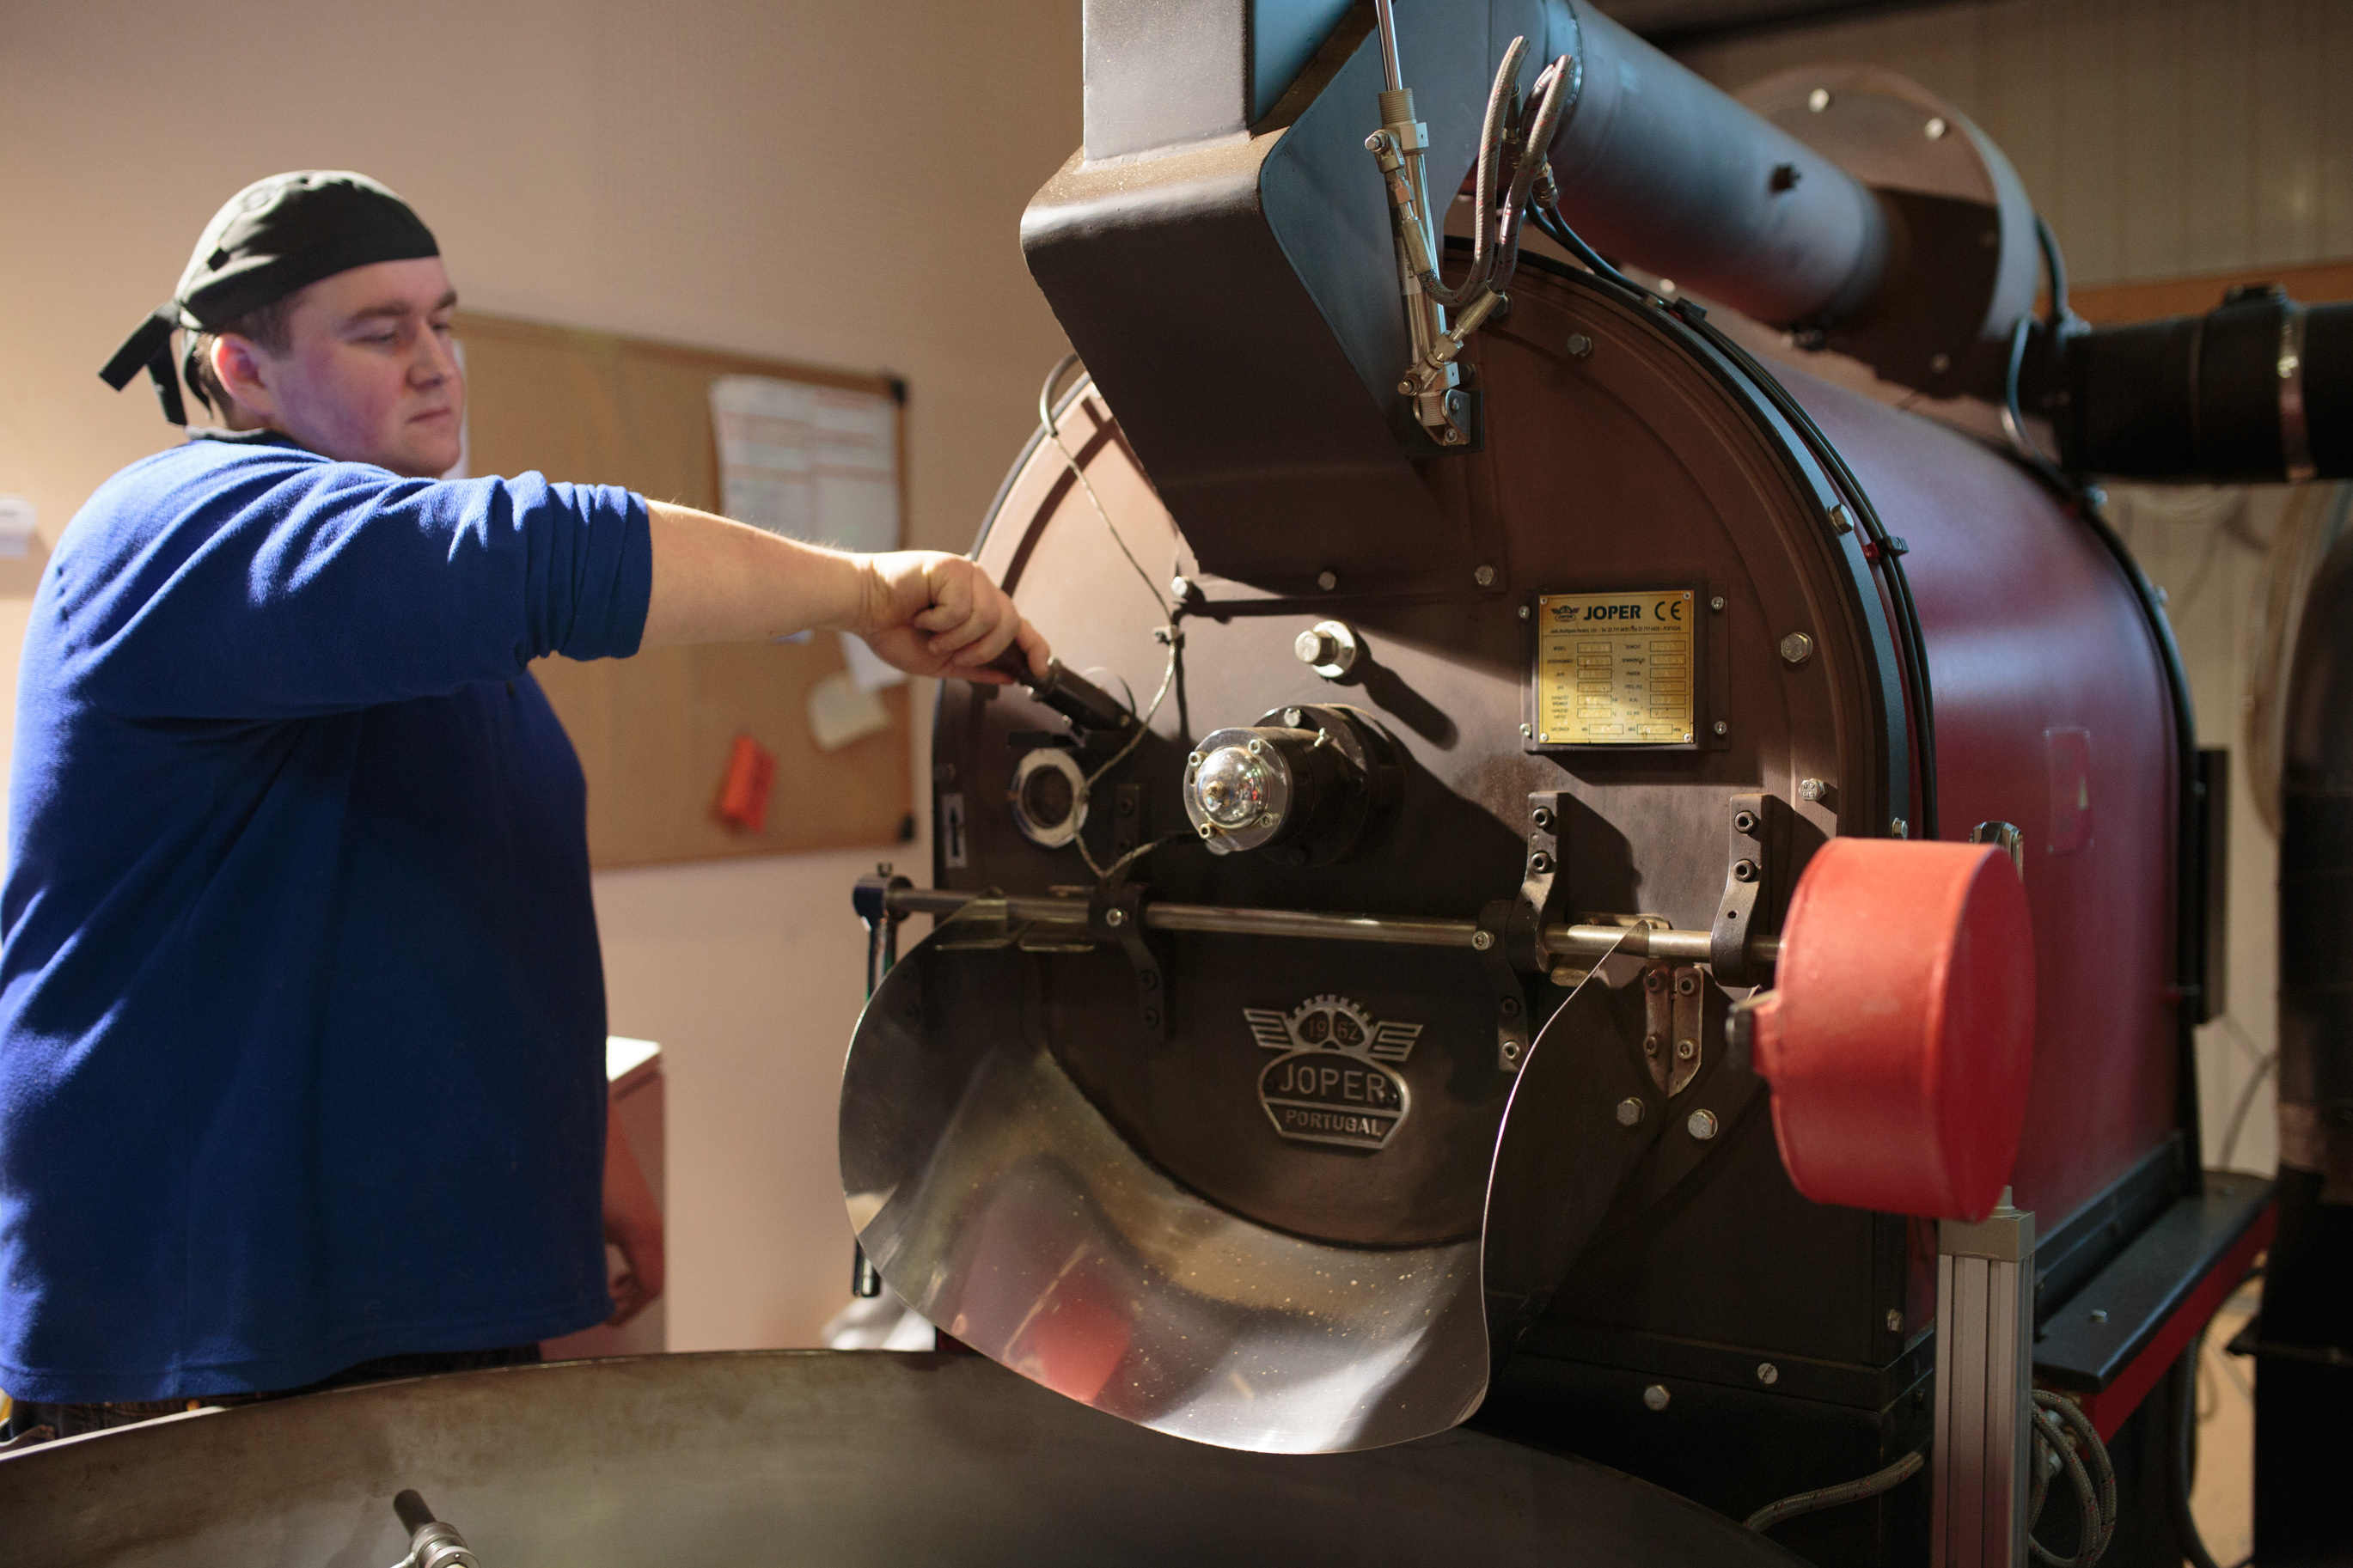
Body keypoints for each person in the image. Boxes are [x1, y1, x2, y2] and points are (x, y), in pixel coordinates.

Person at [0, 171, 1045, 1441]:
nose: (438, 363)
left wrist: (583, 1150)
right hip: (210, 1325)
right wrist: (870, 590)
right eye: (381, 332)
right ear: (244, 370)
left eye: (445, 322)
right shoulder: (176, 526)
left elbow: (466, 897)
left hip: (415, 1303)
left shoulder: (421, 631)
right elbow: (549, 553)